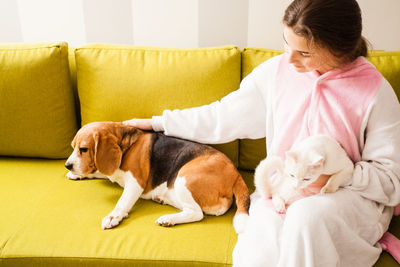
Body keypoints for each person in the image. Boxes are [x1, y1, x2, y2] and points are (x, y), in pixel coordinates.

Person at [124, 0, 400, 266]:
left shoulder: (376, 92)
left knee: (307, 218)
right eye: (286, 43)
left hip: (349, 203)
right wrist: (160, 123)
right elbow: (221, 117)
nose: (289, 59)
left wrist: (339, 175)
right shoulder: (276, 73)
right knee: (257, 255)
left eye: (304, 53)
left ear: (339, 49)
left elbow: (391, 181)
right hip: (284, 195)